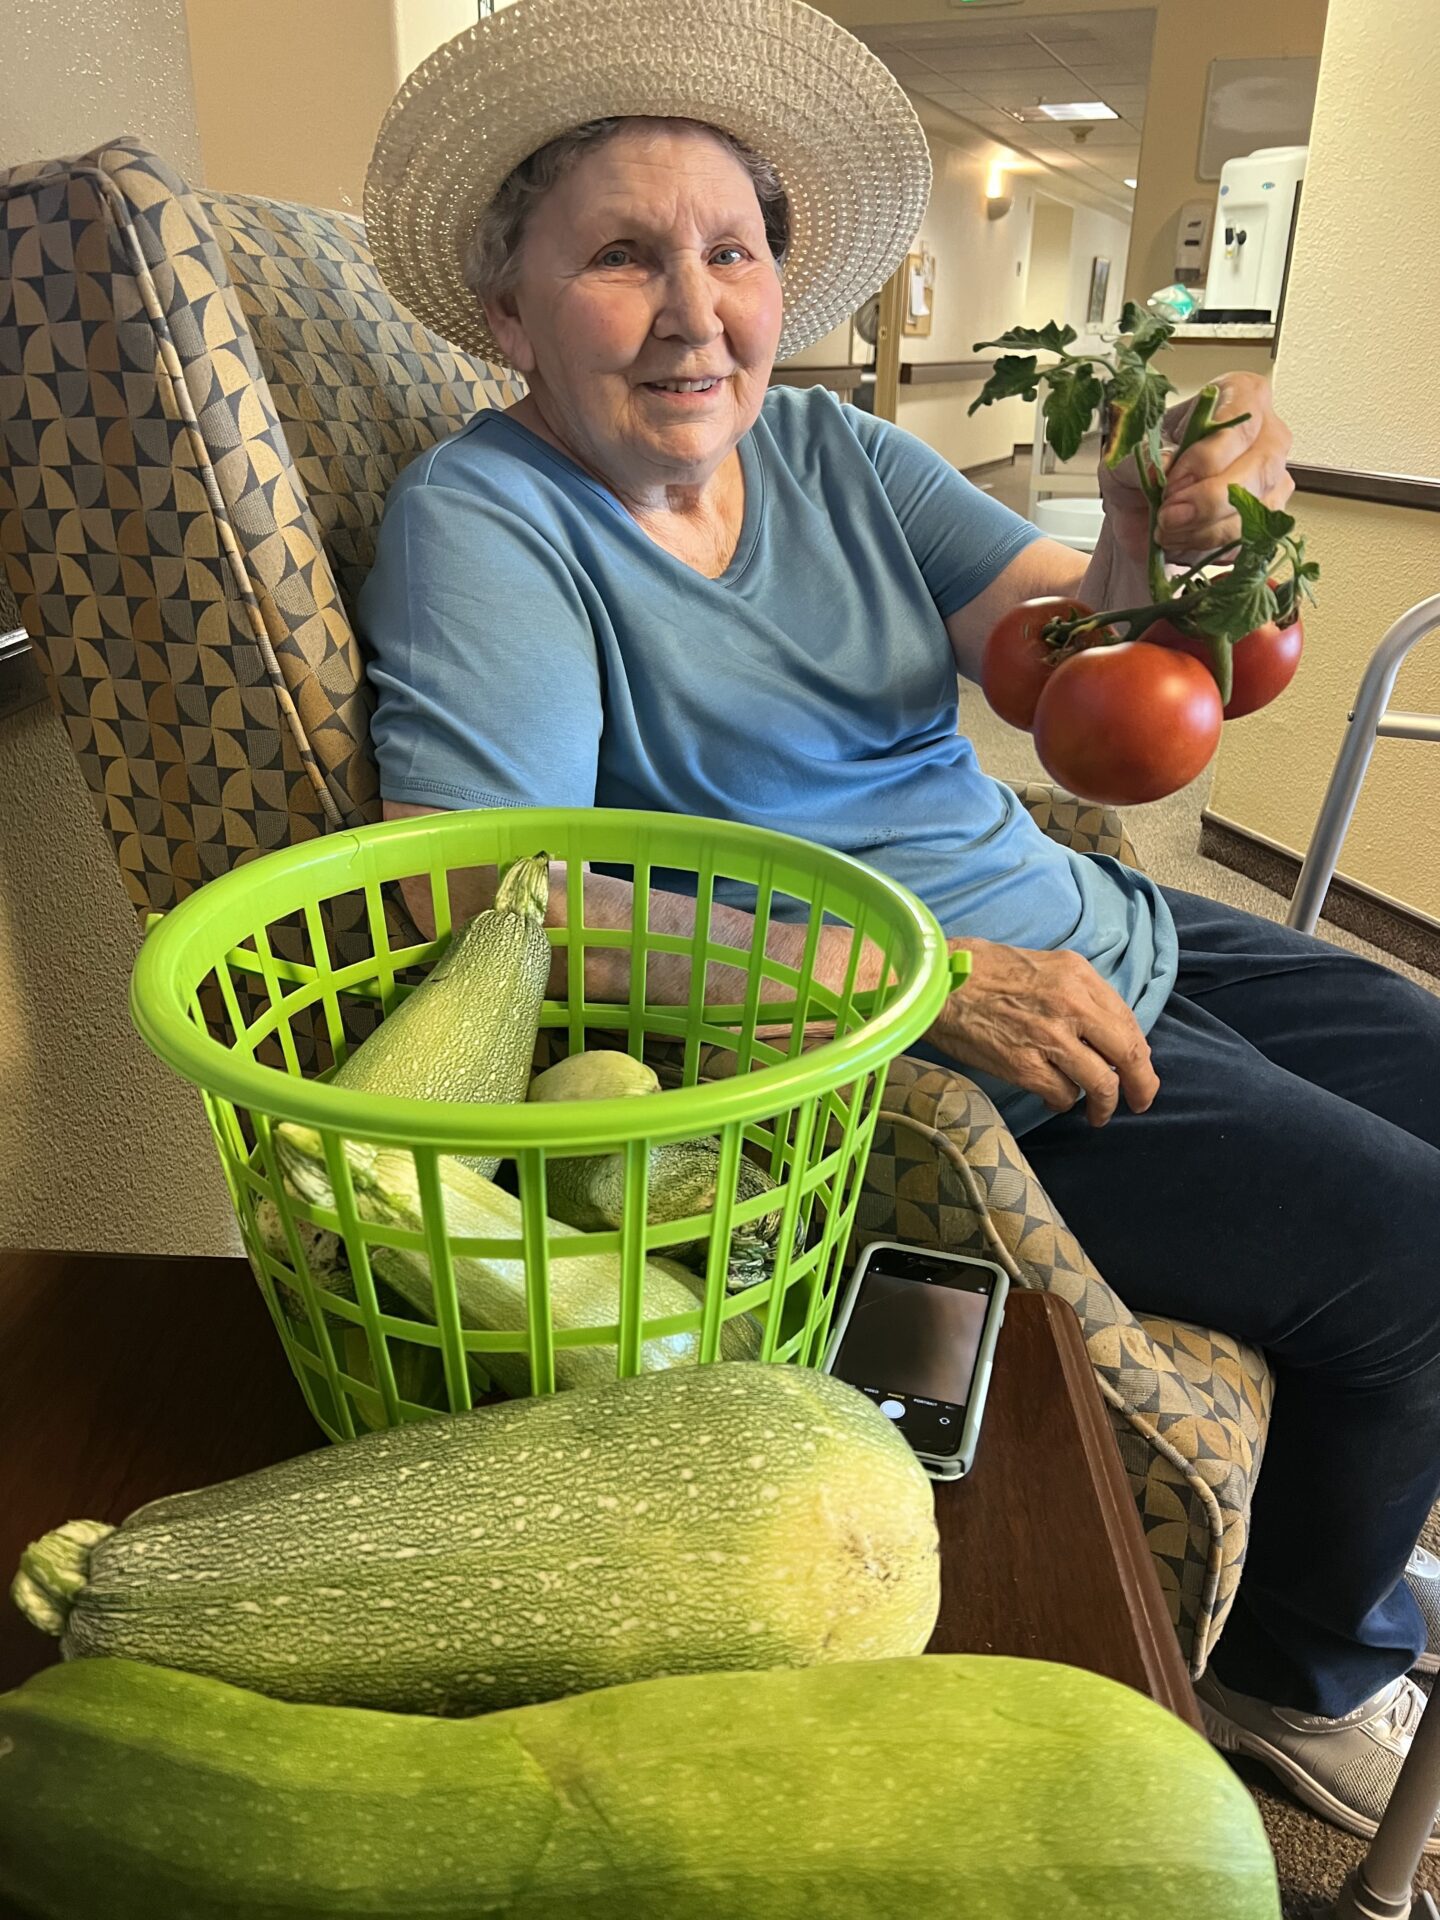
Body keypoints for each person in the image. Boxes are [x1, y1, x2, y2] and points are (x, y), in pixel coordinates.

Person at [357, 0, 1440, 1847]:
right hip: (918, 1046)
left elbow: (1062, 662)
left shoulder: (842, 462)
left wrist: (1159, 530)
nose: (695, 308)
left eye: (733, 250)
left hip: (1106, 921)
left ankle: (1329, 1585)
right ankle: (1294, 1667)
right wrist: (914, 977)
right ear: (507, 308)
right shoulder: (494, 520)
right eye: (623, 255)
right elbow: (478, 879)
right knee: (1419, 1247)